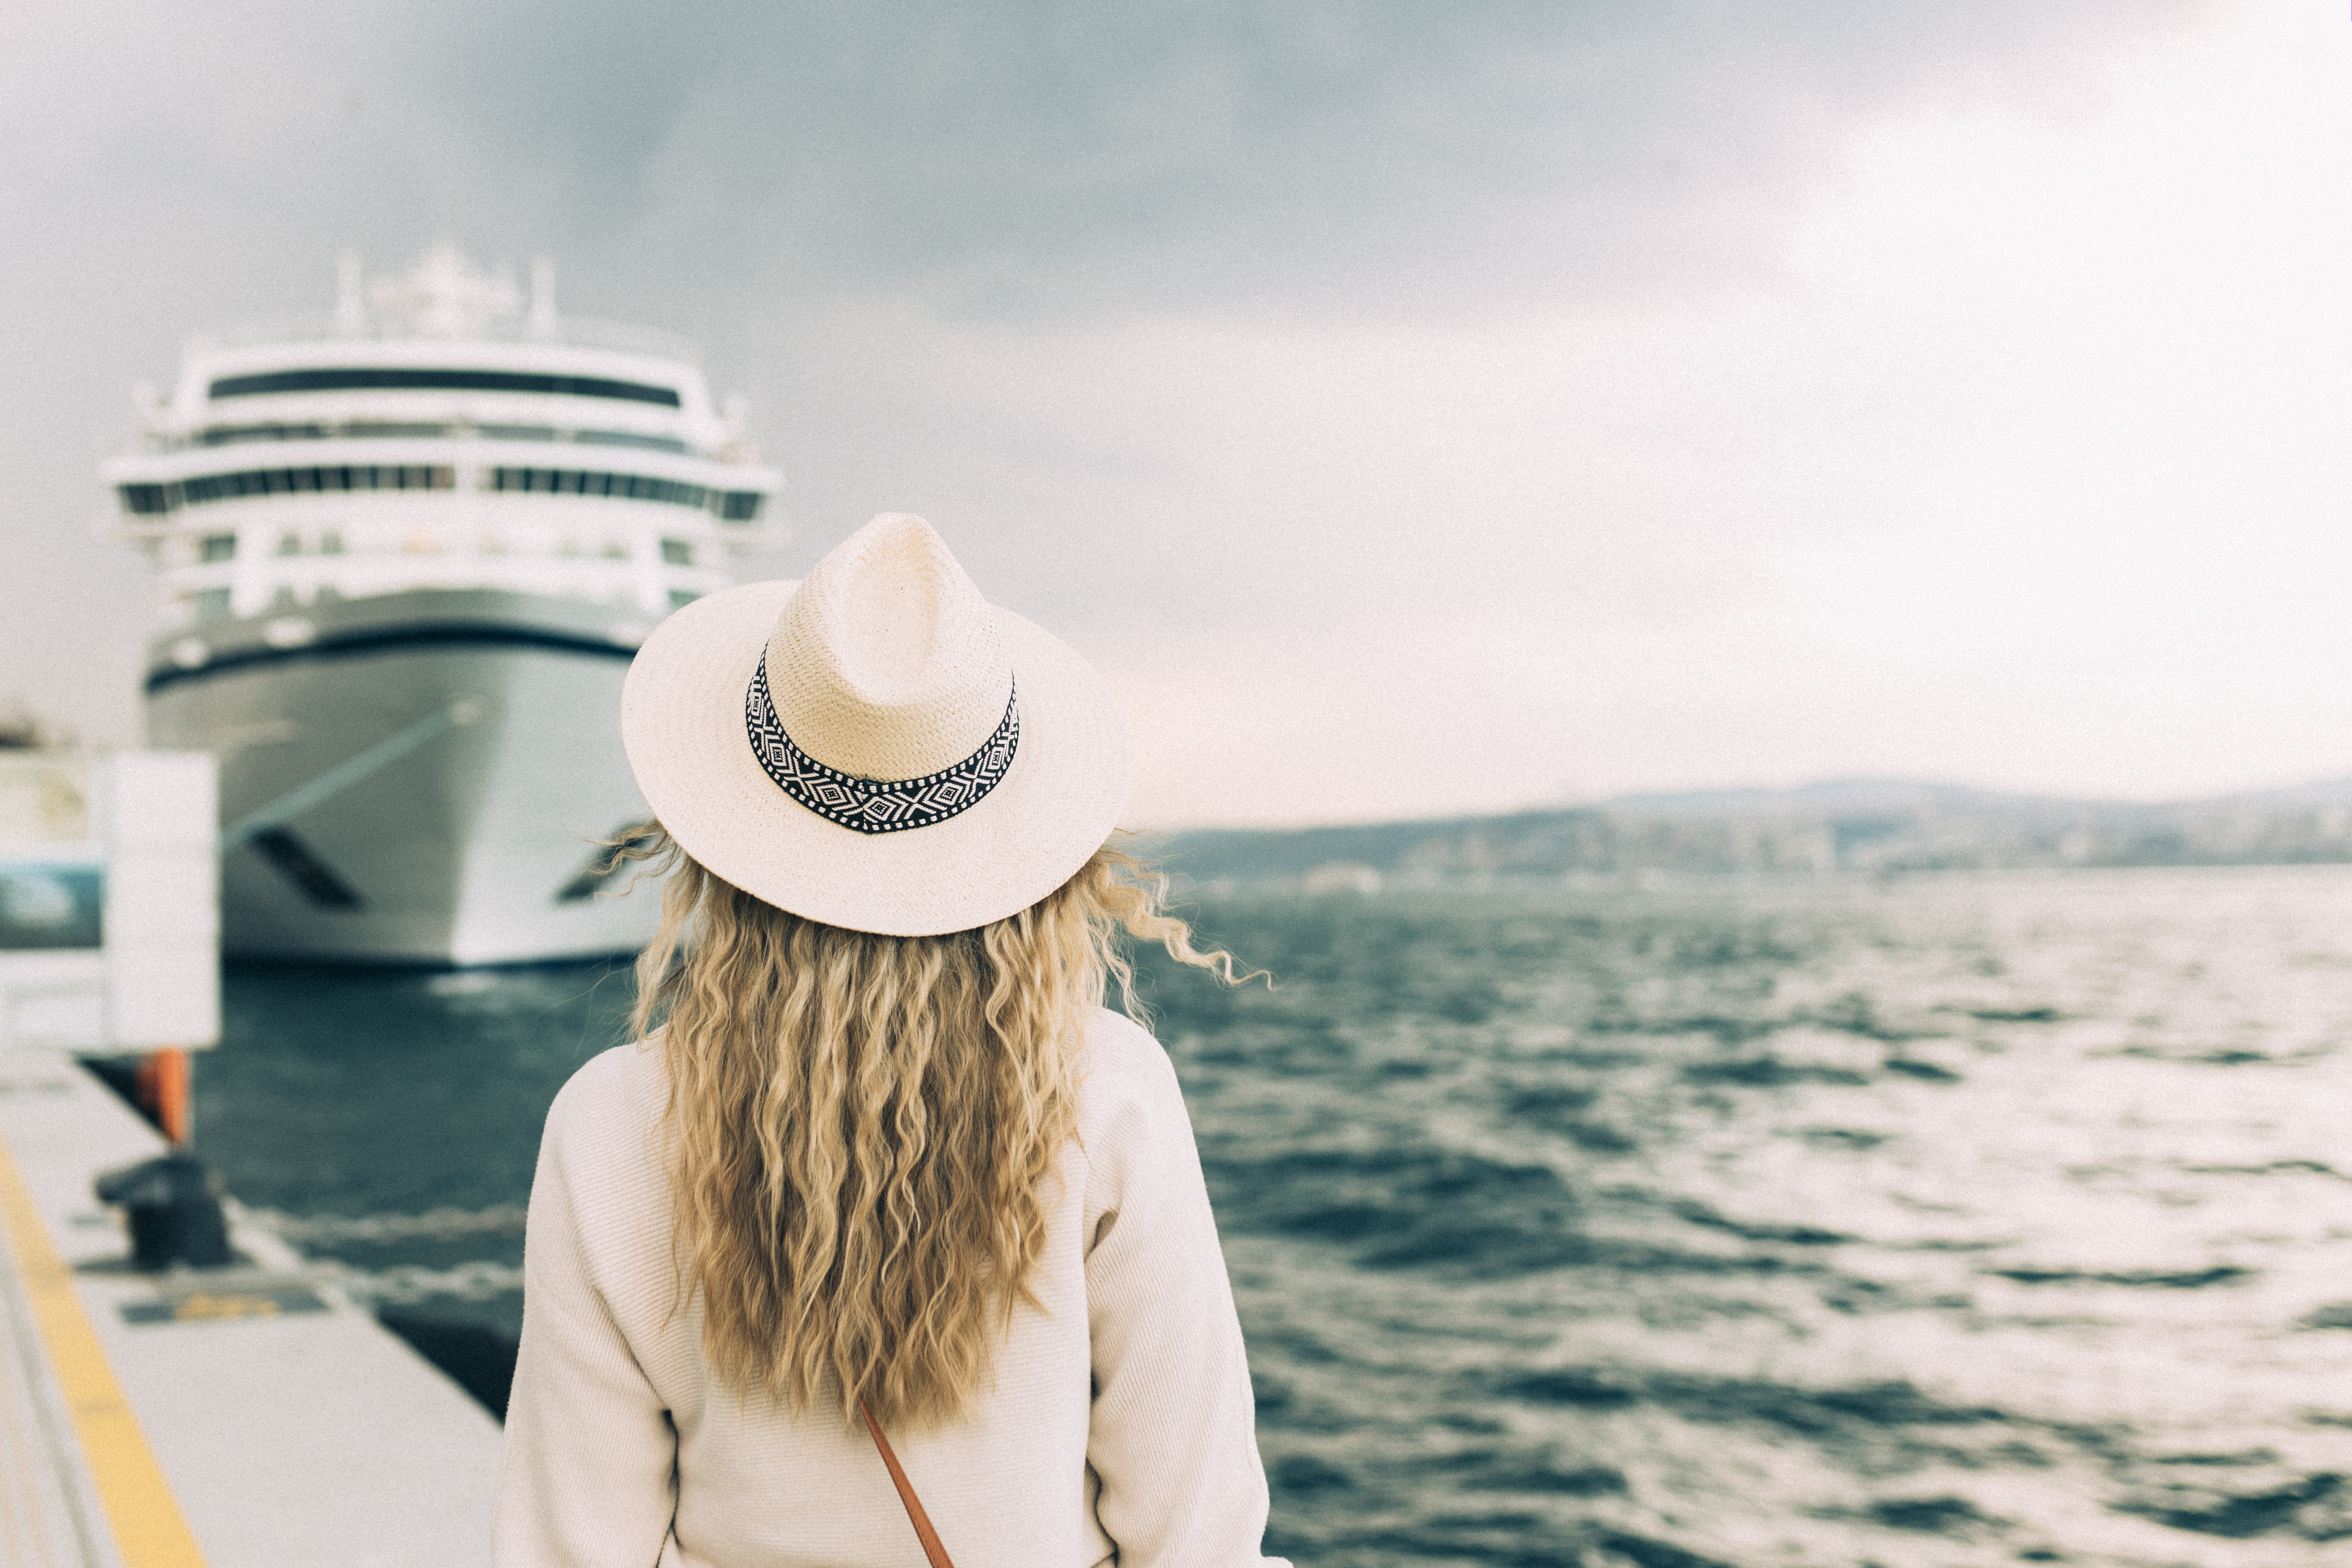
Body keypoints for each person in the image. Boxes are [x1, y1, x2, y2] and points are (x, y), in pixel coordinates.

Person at [493, 514, 1288, 1568]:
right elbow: (1196, 1528)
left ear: (722, 851)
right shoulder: (1104, 1093)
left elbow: (571, 1544)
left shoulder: (612, 1121)